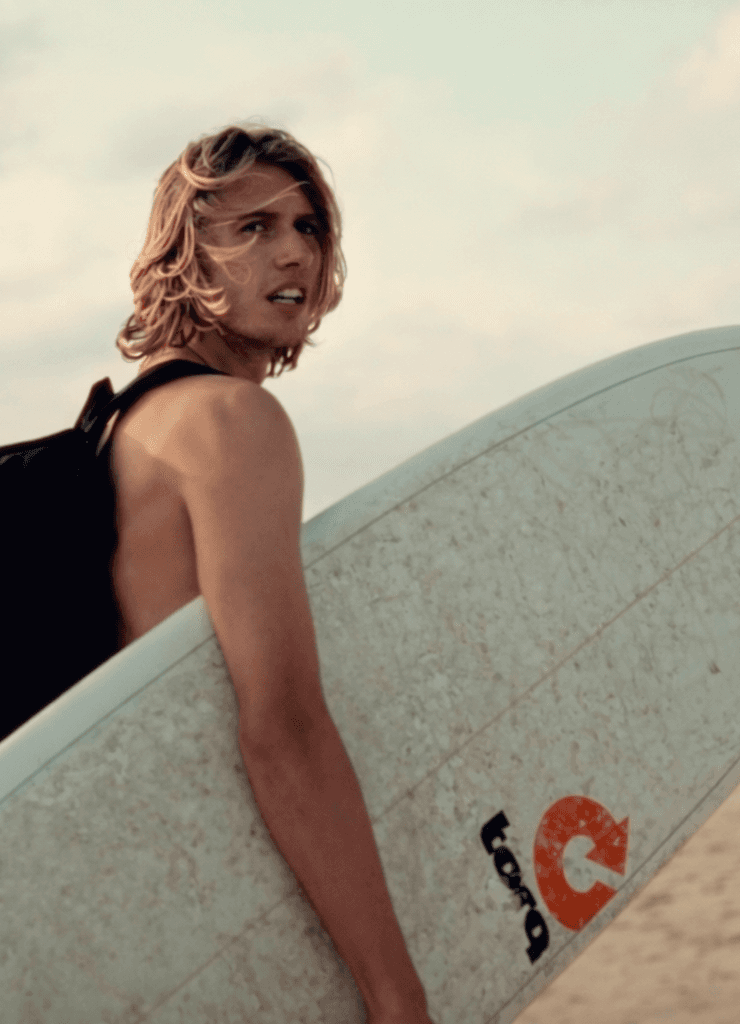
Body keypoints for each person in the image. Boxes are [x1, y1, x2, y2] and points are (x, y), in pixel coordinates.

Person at [107, 125, 434, 1024]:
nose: (294, 252)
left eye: (308, 226)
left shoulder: (127, 423)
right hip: (213, 892)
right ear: (186, 255)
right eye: (252, 228)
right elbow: (280, 727)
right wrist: (395, 994)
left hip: (139, 891)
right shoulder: (232, 422)